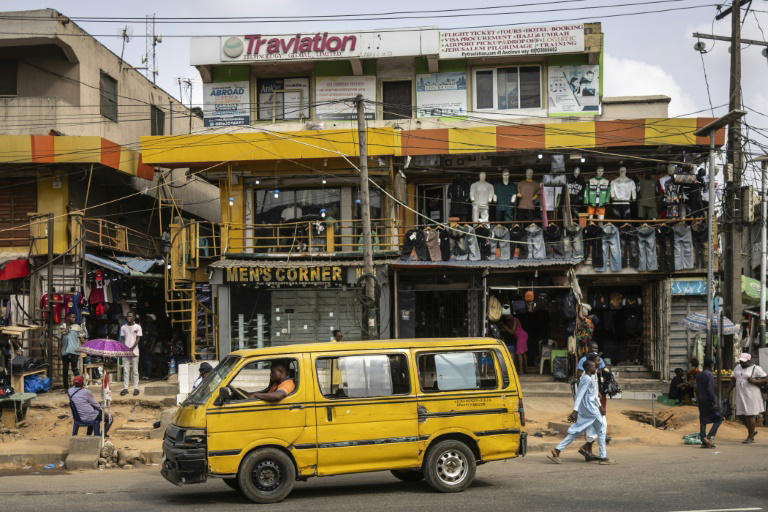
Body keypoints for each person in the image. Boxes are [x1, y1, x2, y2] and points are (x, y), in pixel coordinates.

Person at [548, 360, 614, 465]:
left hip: (587, 410)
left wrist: (598, 405)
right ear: (588, 368)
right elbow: (580, 395)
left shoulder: (586, 378)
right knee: (601, 430)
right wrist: (575, 410)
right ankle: (603, 457)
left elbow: (590, 395)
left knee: (577, 431)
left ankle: (557, 450)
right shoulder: (587, 379)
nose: (595, 368)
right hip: (591, 410)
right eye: (593, 367)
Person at [728, 353, 767, 444]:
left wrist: (754, 381)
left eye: (744, 362)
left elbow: (765, 379)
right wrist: (728, 392)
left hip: (751, 395)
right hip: (740, 394)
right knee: (741, 415)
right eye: (741, 361)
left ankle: (750, 437)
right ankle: (752, 431)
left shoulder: (756, 368)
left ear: (749, 360)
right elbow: (733, 380)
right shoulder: (737, 367)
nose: (742, 363)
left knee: (750, 415)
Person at [696, 357, 722, 448]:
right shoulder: (709, 375)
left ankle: (703, 439)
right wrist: (714, 402)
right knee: (719, 419)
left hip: (701, 400)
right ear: (711, 365)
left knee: (703, 421)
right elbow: (710, 389)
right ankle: (709, 437)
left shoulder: (699, 375)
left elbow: (697, 389)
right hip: (709, 400)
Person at [120, 312, 143, 397]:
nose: (128, 317)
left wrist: (132, 348)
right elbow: (122, 339)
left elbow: (138, 339)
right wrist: (124, 348)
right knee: (126, 371)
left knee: (135, 371)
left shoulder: (138, 327)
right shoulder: (123, 327)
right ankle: (125, 388)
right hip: (126, 352)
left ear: (134, 317)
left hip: (135, 351)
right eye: (127, 316)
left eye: (130, 316)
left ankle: (136, 388)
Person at [61, 312, 86, 390]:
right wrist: (59, 352)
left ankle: (79, 386)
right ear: (68, 317)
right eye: (71, 317)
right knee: (65, 370)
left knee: (74, 369)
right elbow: (61, 338)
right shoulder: (63, 326)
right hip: (64, 351)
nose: (73, 319)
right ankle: (66, 388)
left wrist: (84, 344)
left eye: (74, 317)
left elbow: (81, 339)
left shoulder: (77, 327)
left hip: (74, 351)